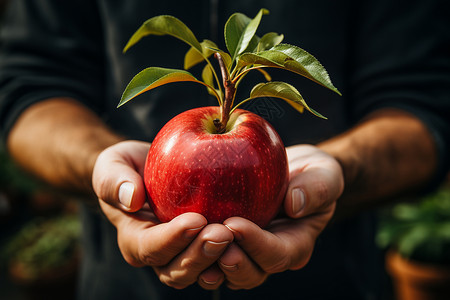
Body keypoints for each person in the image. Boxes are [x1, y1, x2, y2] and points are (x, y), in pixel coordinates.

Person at [0, 0, 449, 299]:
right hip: (122, 282)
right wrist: (108, 172)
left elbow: (423, 103)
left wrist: (337, 172)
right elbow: (28, 87)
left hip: (331, 279)